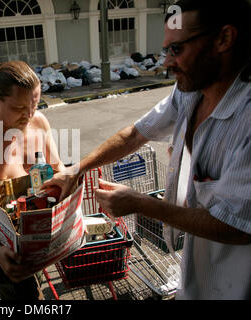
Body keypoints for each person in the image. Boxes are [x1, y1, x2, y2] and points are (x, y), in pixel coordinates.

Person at [41, 0, 250, 299]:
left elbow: (236, 225)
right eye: (166, 50)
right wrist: (76, 169)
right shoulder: (189, 92)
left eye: (177, 49)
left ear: (224, 39)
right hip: (197, 279)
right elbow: (135, 135)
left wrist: (141, 204)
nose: (166, 62)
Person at [0, 61, 65, 300]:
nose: (28, 115)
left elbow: (58, 169)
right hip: (1, 244)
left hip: (36, 233)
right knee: (21, 297)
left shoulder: (39, 122)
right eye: (19, 108)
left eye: (34, 104)